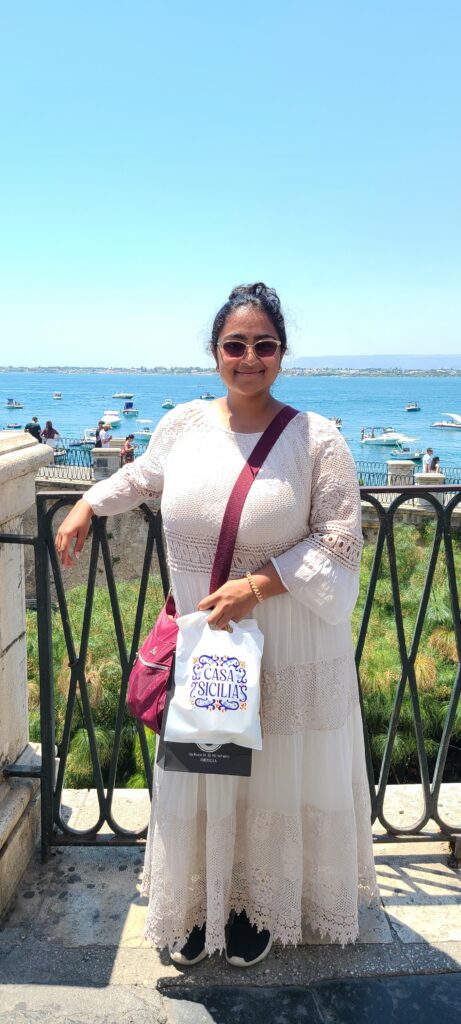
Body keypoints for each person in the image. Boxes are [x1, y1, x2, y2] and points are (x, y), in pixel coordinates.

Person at [55, 283, 378, 967]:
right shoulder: (183, 424)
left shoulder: (318, 440)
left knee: (270, 775)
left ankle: (258, 907)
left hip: (283, 639)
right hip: (209, 644)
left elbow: (339, 540)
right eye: (236, 344)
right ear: (215, 353)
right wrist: (88, 500)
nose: (249, 356)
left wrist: (256, 588)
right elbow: (144, 476)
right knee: (203, 770)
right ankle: (203, 900)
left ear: (281, 354)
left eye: (264, 344)